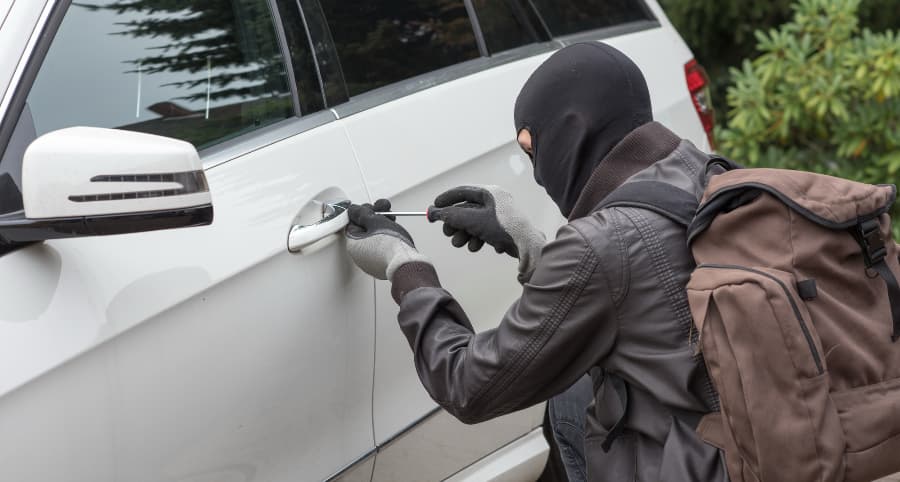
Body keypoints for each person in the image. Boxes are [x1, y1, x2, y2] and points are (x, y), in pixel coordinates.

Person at [343, 42, 728, 482]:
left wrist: (405, 267)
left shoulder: (600, 243)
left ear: (572, 130)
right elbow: (645, 289)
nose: (538, 172)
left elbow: (468, 385)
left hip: (697, 466)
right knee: (573, 386)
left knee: (570, 396)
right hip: (753, 443)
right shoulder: (708, 171)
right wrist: (528, 245)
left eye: (533, 149)